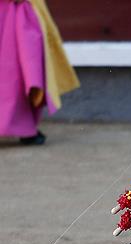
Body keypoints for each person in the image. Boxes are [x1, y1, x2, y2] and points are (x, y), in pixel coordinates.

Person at [0, 0, 79, 145]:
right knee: (17, 72)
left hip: (15, 10)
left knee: (18, 73)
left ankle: (24, 127)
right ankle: (24, 128)